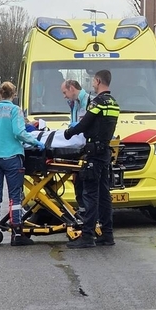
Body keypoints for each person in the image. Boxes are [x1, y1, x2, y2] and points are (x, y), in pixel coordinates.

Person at [0, 82, 45, 247]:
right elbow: (19, 132)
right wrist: (36, 142)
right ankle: (17, 233)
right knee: (15, 197)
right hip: (11, 157)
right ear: (13, 95)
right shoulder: (15, 110)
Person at [63, 69, 119, 249]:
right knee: (104, 196)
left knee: (90, 195)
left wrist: (68, 133)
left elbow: (85, 123)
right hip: (105, 153)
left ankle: (87, 236)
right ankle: (107, 234)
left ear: (97, 81)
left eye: (93, 82)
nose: (92, 84)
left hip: (94, 153)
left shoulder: (97, 102)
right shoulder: (114, 103)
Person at [62, 79, 90, 214]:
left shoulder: (88, 101)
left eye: (65, 92)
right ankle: (83, 211)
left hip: (86, 148)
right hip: (77, 148)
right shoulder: (74, 103)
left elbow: (85, 123)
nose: (64, 96)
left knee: (85, 183)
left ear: (72, 88)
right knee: (78, 183)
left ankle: (88, 214)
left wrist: (76, 127)